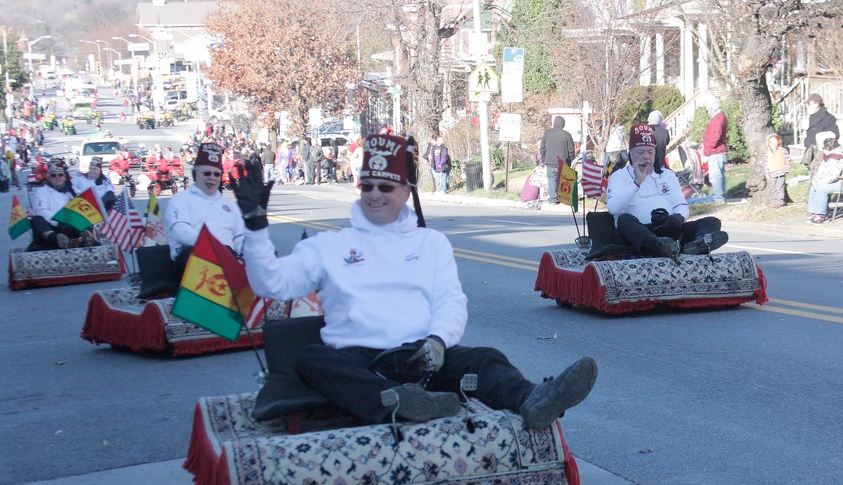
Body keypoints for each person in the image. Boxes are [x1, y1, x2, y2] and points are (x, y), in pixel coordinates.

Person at [234, 133, 598, 428]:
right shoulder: (331, 246)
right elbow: (272, 284)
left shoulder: (431, 244)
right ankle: (398, 403)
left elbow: (450, 303)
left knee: (486, 358)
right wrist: (254, 227)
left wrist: (439, 342)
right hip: (357, 360)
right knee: (312, 359)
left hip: (421, 356)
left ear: (405, 194)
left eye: (386, 187)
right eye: (368, 186)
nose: (375, 194)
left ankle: (534, 399)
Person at [605, 124, 728, 256]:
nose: (646, 157)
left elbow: (680, 204)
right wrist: (637, 182)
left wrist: (678, 218)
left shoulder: (667, 175)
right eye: (640, 152)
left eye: (650, 152)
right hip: (638, 236)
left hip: (667, 231)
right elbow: (614, 209)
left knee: (711, 222)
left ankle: (697, 245)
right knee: (624, 220)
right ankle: (659, 245)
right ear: (631, 155)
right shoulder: (619, 176)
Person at [163, 143, 244, 282]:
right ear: (195, 174)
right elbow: (180, 232)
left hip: (229, 262)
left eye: (216, 174)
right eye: (207, 173)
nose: (212, 178)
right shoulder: (180, 200)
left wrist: (246, 254)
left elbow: (240, 237)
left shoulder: (229, 206)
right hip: (194, 262)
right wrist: (216, 249)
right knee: (189, 253)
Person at [27, 159, 96, 249]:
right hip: (52, 227)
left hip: (72, 226)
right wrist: (58, 222)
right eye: (53, 175)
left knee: (85, 216)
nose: (57, 177)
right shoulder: (41, 192)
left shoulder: (74, 191)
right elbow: (41, 211)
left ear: (64, 177)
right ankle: (59, 239)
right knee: (36, 220)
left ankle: (85, 239)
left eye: (60, 175)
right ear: (48, 177)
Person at [806, 136, 843, 224]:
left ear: (827, 149)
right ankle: (814, 212)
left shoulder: (839, 158)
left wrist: (820, 183)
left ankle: (822, 214)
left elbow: (833, 176)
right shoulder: (828, 157)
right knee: (813, 187)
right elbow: (820, 172)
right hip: (834, 182)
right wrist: (816, 181)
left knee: (822, 189)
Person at [802, 93, 840, 179]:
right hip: (811, 149)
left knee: (819, 178)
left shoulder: (828, 117)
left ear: (816, 104)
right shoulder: (812, 116)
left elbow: (835, 134)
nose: (807, 106)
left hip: (821, 152)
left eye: (809, 104)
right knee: (812, 176)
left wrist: (822, 142)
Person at [539, 116, 574, 205]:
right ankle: (562, 197)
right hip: (563, 162)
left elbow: (542, 148)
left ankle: (553, 198)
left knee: (551, 179)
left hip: (550, 161)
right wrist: (571, 161)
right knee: (562, 180)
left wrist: (543, 159)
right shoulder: (567, 135)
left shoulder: (547, 134)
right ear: (563, 124)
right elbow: (571, 150)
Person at [702, 96, 728, 202]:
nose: (707, 111)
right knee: (719, 176)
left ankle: (719, 198)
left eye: (708, 108)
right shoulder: (719, 117)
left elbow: (715, 135)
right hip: (717, 151)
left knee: (716, 177)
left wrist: (708, 148)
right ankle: (720, 197)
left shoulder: (717, 118)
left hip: (716, 152)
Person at [764, 132, 790, 208]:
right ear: (768, 143)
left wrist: (786, 169)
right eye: (771, 142)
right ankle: (774, 201)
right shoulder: (767, 152)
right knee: (774, 188)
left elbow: (787, 159)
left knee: (780, 187)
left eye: (775, 141)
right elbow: (766, 163)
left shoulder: (782, 150)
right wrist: (767, 173)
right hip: (772, 172)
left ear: (778, 141)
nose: (773, 143)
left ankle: (780, 201)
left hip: (781, 171)